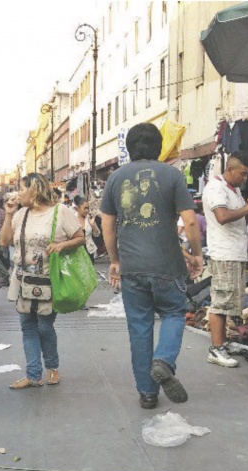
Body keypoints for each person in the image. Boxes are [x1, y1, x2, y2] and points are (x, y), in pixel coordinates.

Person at [101, 122, 203, 409]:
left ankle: (147, 393)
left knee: (139, 327)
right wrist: (196, 254)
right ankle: (164, 360)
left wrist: (114, 260)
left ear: (129, 148)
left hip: (132, 267)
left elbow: (107, 224)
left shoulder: (115, 178)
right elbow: (191, 220)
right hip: (168, 265)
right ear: (159, 147)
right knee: (173, 313)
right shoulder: (172, 175)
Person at [0, 173, 83, 389]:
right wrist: (9, 215)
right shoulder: (20, 214)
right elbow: (5, 241)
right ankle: (33, 374)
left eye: (22, 188)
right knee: (27, 326)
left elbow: (80, 237)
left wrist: (61, 245)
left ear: (35, 189)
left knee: (45, 326)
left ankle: (53, 367)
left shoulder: (60, 211)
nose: (18, 192)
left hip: (49, 278)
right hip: (23, 278)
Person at [202, 152, 248, 367]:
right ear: (229, 170)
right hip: (224, 254)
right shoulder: (216, 188)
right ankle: (216, 349)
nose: (245, 178)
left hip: (235, 253)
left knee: (230, 303)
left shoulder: (233, 188)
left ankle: (223, 343)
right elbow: (223, 217)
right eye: (242, 174)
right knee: (220, 302)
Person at [74, 195, 101, 260]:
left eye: (88, 208)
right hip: (76, 252)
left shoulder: (89, 219)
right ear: (78, 208)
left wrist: (93, 225)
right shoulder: (72, 219)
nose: (87, 210)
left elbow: (97, 234)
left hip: (89, 251)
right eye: (85, 208)